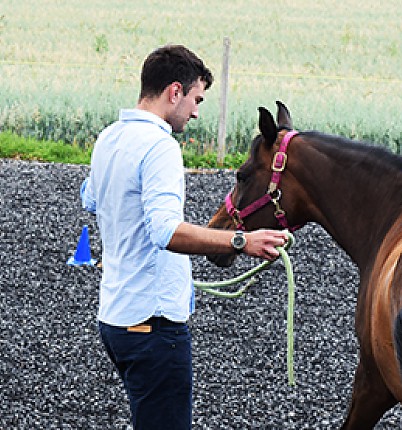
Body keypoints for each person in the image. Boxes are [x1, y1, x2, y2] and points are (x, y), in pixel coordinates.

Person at [79, 44, 288, 429]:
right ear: (174, 91)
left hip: (114, 320)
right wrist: (243, 240)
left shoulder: (109, 137)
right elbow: (165, 231)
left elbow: (90, 197)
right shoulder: (160, 147)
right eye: (196, 99)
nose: (195, 111)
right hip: (153, 326)